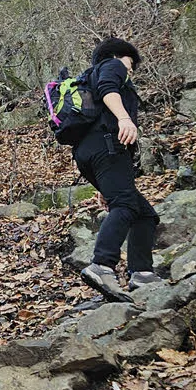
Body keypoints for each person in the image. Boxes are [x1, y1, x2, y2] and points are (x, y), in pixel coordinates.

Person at [74, 38, 160, 301]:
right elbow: (108, 88)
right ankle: (102, 265)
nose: (131, 69)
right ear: (119, 55)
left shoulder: (87, 78)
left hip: (89, 153)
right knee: (125, 206)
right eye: (131, 63)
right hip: (108, 146)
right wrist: (124, 118)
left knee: (145, 215)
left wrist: (103, 187)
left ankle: (142, 273)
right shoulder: (113, 65)